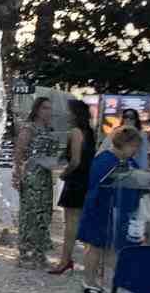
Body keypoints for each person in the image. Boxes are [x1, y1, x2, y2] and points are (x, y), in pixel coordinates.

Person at [78, 125, 147, 289]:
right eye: (134, 146)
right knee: (95, 246)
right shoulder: (104, 160)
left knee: (114, 248)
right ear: (124, 144)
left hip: (121, 212)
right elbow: (97, 185)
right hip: (101, 211)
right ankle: (89, 281)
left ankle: (110, 283)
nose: (136, 150)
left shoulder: (130, 162)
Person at [13, 97, 61, 269]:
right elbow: (19, 151)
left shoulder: (49, 129)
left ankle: (39, 252)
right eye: (45, 108)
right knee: (30, 214)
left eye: (50, 108)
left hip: (46, 176)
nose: (48, 112)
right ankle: (25, 253)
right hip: (32, 176)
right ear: (37, 110)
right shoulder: (29, 128)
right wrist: (17, 175)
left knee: (44, 213)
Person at [51, 97, 97, 275]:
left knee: (70, 224)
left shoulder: (76, 132)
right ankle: (82, 260)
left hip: (76, 180)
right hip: (85, 179)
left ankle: (65, 260)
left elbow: (76, 160)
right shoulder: (89, 132)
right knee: (77, 222)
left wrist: (64, 174)